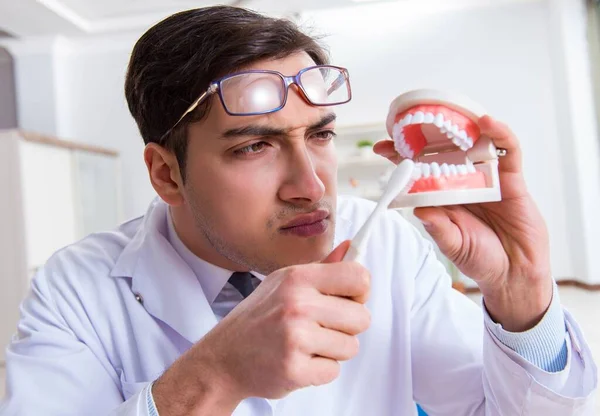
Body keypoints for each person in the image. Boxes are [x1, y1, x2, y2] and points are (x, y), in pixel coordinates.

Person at [0, 6, 597, 416]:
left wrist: (523, 299)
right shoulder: (75, 288)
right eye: (254, 146)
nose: (311, 187)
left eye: (318, 135)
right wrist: (217, 373)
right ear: (166, 173)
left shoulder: (385, 242)